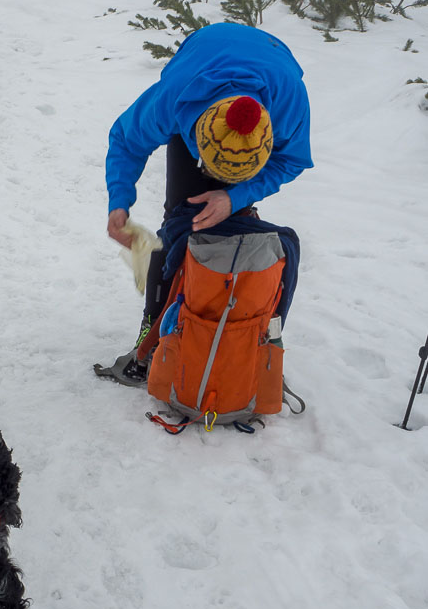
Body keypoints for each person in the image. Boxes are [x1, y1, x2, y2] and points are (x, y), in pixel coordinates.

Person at [102, 22, 312, 383]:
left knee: (231, 221)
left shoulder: (289, 103)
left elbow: (293, 159)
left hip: (272, 64)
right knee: (182, 220)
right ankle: (150, 342)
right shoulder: (173, 99)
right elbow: (126, 138)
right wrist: (119, 202)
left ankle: (227, 334)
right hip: (200, 67)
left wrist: (235, 196)